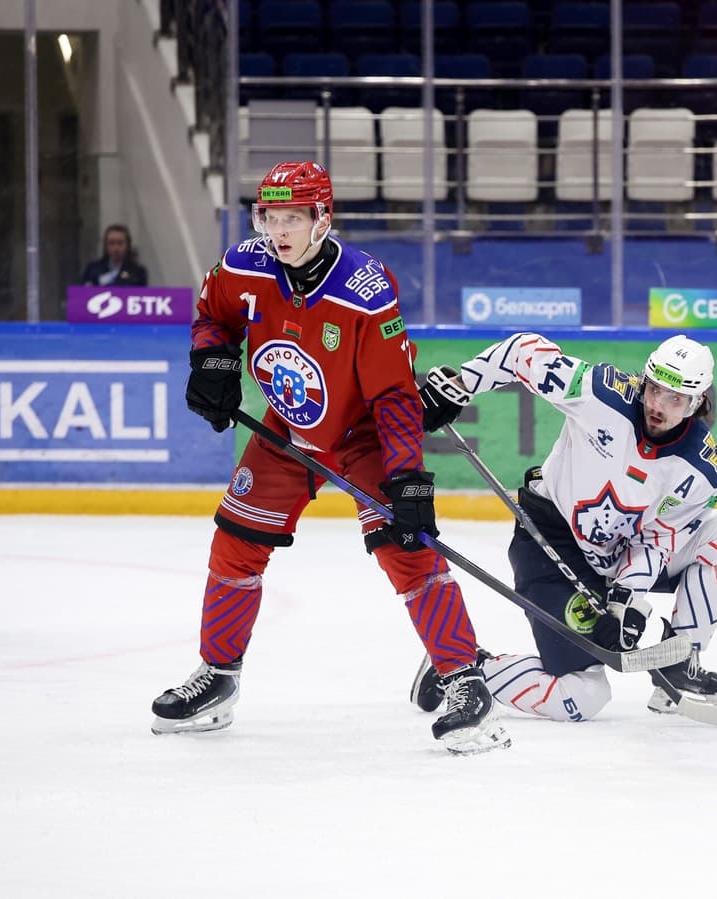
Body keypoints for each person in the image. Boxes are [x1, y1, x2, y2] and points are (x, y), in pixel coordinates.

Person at [149, 160, 508, 755]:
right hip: (286, 429)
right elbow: (213, 313)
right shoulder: (245, 264)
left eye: (294, 217)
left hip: (362, 432)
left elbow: (393, 395)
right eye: (270, 216)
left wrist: (408, 480)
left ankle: (465, 680)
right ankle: (218, 676)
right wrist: (212, 363)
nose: (280, 229)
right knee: (236, 540)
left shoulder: (365, 289)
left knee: (406, 550)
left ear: (322, 218)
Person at [409, 332, 717, 722]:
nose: (658, 406)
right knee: (583, 696)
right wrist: (463, 385)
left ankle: (679, 660)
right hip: (550, 545)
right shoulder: (600, 393)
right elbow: (523, 352)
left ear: (698, 402)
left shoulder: (703, 471)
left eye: (676, 399)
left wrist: (625, 599)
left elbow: (659, 538)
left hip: (617, 553)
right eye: (654, 390)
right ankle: (459, 669)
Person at [80, 223, 149, 286]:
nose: (116, 248)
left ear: (127, 245)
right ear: (106, 245)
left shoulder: (137, 272)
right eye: (111, 243)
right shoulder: (93, 269)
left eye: (120, 243)